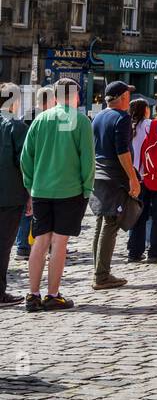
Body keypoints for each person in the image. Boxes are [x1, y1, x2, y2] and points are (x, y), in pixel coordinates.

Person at [19, 80, 95, 311]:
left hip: (41, 189)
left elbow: (26, 158)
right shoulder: (80, 121)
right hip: (69, 190)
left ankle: (32, 294)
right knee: (59, 243)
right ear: (76, 96)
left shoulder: (40, 119)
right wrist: (87, 188)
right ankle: (53, 295)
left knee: (40, 242)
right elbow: (87, 160)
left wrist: (31, 186)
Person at [89, 81, 141, 290]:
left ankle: (98, 270)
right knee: (110, 223)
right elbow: (123, 152)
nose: (130, 97)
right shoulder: (122, 117)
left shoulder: (99, 116)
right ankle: (102, 276)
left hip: (98, 172)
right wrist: (132, 177)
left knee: (101, 223)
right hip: (114, 175)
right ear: (122, 97)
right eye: (128, 94)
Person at [125, 97, 157, 265]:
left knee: (138, 215)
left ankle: (134, 251)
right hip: (156, 175)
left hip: (136, 177)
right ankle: (155, 252)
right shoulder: (155, 125)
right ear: (146, 110)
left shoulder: (127, 127)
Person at [0, 104, 31, 305]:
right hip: (8, 197)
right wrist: (30, 194)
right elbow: (25, 163)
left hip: (9, 195)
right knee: (3, 245)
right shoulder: (15, 126)